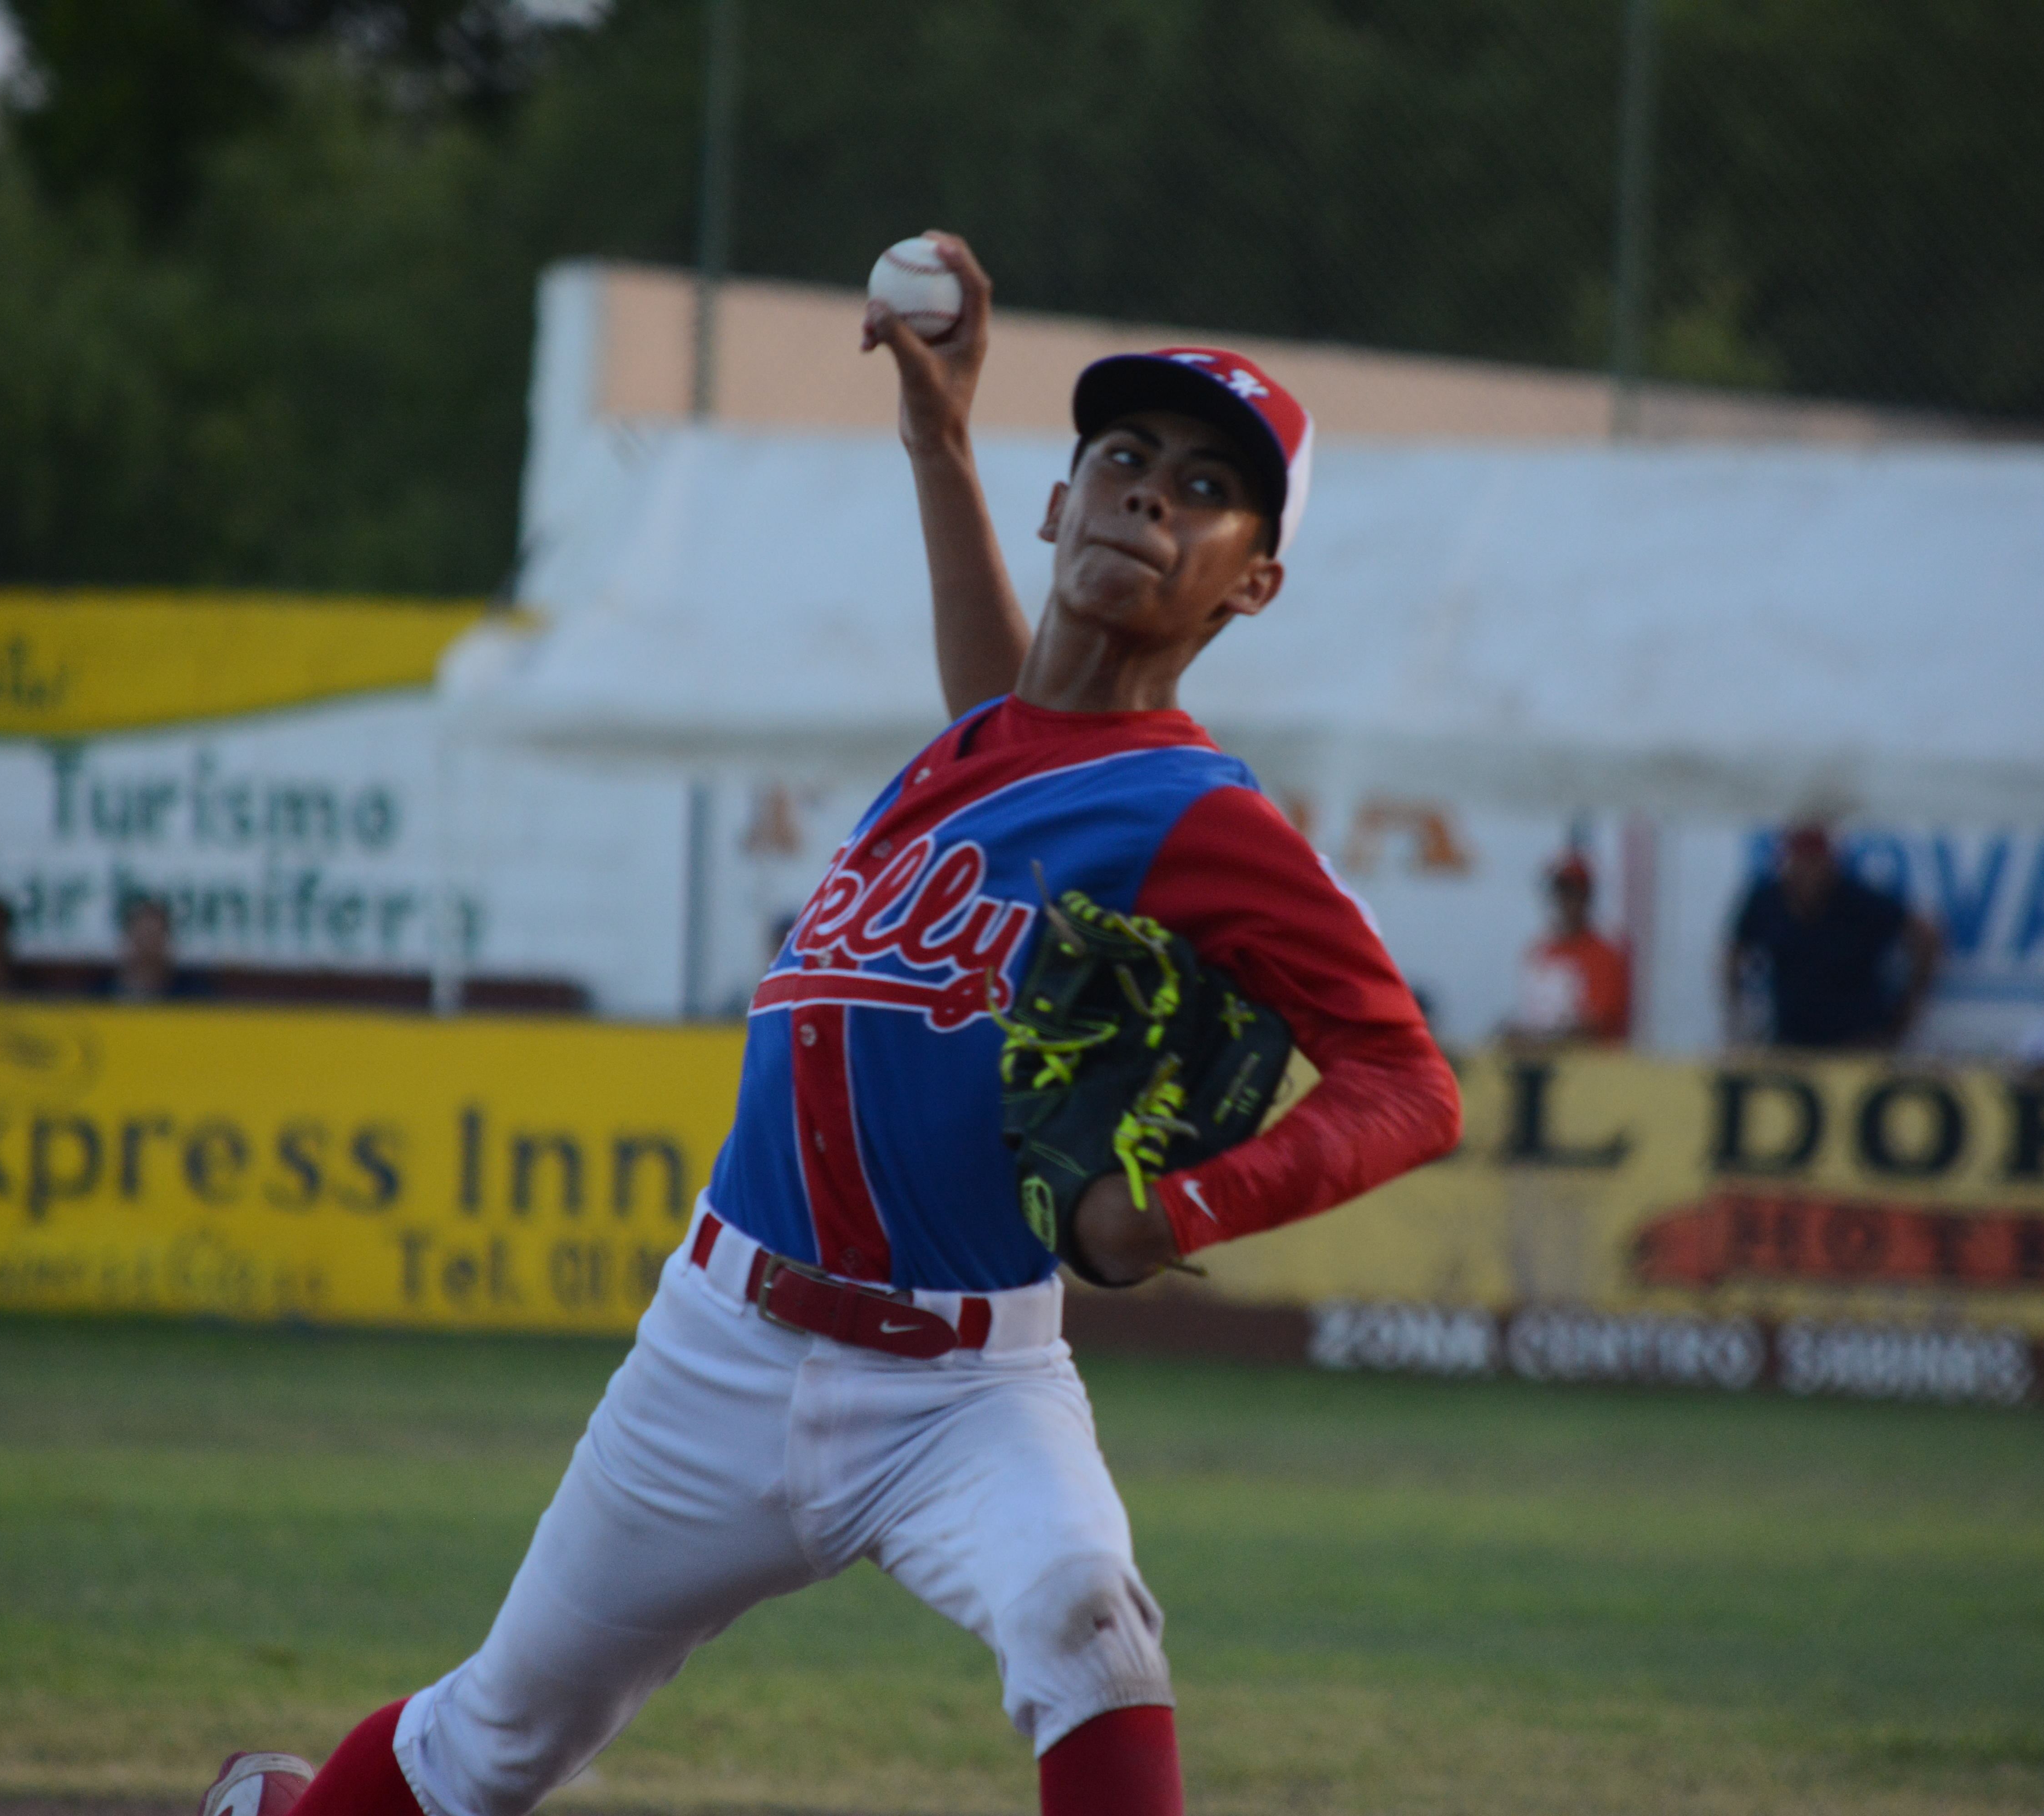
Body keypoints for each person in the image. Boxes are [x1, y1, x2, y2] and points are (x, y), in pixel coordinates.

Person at [199, 234, 1461, 1816]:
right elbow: (1008, 703)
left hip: (965, 1389)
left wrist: (1180, 1208)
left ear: (1252, 579)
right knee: (496, 1740)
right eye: (1121, 457)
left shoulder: (1200, 817)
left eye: (1208, 489)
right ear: (1056, 502)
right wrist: (937, 443)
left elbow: (1412, 1083)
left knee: (1093, 1630)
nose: (1150, 491)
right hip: (718, 1345)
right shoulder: (990, 753)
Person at [1723, 823, 1941, 1049]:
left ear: (1831, 864)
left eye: (1815, 863)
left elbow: (1927, 935)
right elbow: (1733, 954)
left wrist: (1907, 1010)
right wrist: (1737, 1020)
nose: (1808, 873)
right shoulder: (1766, 901)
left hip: (1858, 1044)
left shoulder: (1858, 902)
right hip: (1793, 1044)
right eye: (1801, 862)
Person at [1509, 850, 1631, 1042]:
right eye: (1561, 893)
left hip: (1590, 1067)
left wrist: (1541, 1040)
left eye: (1574, 893)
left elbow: (1597, 1027)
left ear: (1587, 898)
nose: (1565, 902)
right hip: (1542, 1062)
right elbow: (1531, 1017)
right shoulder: (1539, 951)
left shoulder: (1604, 956)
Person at [106, 893, 208, 1001]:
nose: (147, 946)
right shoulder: (99, 996)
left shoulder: (194, 996)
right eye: (142, 937)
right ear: (127, 939)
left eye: (153, 936)